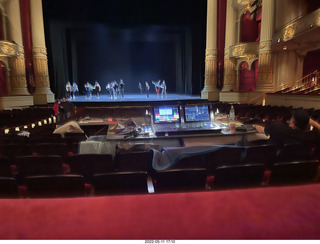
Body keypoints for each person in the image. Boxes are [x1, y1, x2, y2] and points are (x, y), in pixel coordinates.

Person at [253, 109, 320, 146]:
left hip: (277, 166)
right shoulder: (313, 136)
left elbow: (263, 129)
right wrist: (314, 123)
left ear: (292, 121)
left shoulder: (278, 128)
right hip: (302, 167)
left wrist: (255, 126)